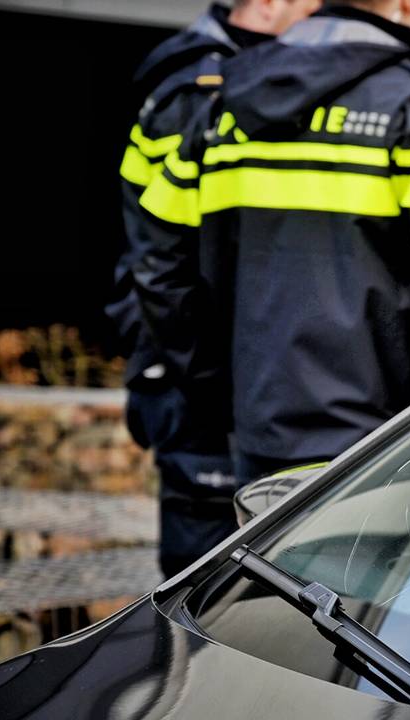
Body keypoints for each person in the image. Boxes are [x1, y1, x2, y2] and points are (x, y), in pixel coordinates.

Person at [133, 0, 410, 483]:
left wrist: (219, 389)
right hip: (385, 446)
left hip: (256, 434)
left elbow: (161, 266)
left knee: (264, 559)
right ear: (406, 4)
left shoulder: (221, 106)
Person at [112, 0, 319, 579]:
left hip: (220, 383)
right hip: (201, 394)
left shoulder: (235, 79)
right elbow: (157, 260)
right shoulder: (200, 89)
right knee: (205, 591)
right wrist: (214, 382)